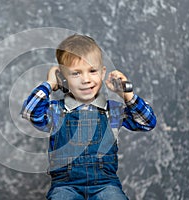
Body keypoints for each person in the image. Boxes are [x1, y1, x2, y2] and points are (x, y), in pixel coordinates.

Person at [21, 34, 156, 200]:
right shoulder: (56, 111)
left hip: (105, 185)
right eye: (76, 74)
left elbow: (147, 123)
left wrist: (127, 95)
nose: (86, 80)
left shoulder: (112, 111)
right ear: (63, 78)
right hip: (65, 186)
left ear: (102, 72)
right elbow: (29, 111)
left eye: (92, 71)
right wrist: (49, 84)